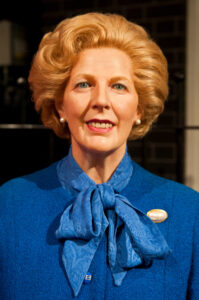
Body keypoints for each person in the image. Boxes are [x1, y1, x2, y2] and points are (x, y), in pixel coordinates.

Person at [0, 12, 198, 300]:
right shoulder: (9, 204)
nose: (101, 101)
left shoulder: (189, 212)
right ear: (60, 106)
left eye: (118, 86)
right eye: (84, 84)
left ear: (139, 109)